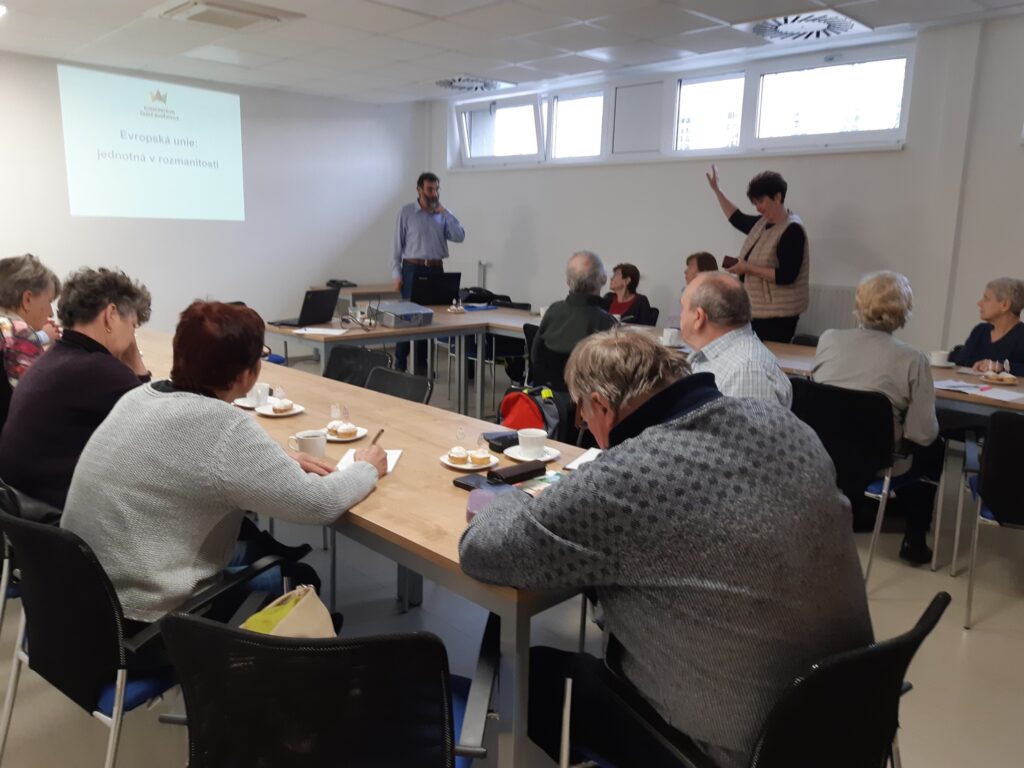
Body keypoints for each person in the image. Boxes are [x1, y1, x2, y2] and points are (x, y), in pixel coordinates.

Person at [460, 328, 872, 768]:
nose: (583, 425)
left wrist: (511, 499)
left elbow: (485, 549)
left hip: (737, 751)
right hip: (856, 716)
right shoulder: (788, 426)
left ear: (602, 405)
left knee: (533, 673)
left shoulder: (626, 476)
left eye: (582, 412)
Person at [61, 301, 388, 624]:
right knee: (300, 577)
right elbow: (319, 504)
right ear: (247, 374)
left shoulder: (139, 397)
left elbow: (194, 454)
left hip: (80, 602)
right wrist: (367, 466)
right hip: (144, 618)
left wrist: (269, 456)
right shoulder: (224, 427)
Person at [812, 271, 941, 564]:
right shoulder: (914, 358)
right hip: (878, 458)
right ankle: (915, 540)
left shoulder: (828, 339)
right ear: (904, 310)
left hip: (822, 449)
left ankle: (857, 508)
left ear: (859, 303)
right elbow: (922, 434)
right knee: (935, 448)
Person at [0, 268, 152, 512]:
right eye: (132, 326)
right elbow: (155, 427)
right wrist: (135, 359)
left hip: (19, 509)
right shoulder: (101, 371)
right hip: (56, 518)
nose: (131, 336)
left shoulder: (51, 358)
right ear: (111, 315)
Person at [706, 166, 809, 343]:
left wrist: (747, 268)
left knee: (768, 354)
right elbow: (737, 218)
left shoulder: (792, 230)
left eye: (761, 201)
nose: (758, 208)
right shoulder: (762, 223)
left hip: (778, 316)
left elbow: (786, 275)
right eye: (755, 203)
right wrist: (717, 190)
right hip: (757, 310)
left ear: (777, 197)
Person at [681, 272, 792, 407]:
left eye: (683, 308)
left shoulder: (747, 372)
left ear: (699, 317)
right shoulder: (708, 355)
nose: (681, 315)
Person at [391, 171, 465, 372]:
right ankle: (399, 364)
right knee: (407, 318)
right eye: (430, 189)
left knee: (429, 318)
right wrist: (396, 274)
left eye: (437, 189)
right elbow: (397, 246)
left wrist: (445, 212)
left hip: (436, 270)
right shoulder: (406, 212)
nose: (434, 194)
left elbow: (460, 236)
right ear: (419, 190)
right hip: (413, 269)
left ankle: (421, 366)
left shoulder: (442, 214)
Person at [531, 250, 616, 390]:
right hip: (587, 397)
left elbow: (536, 356)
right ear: (603, 279)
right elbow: (613, 373)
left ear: (567, 280)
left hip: (548, 394)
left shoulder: (552, 311)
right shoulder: (607, 323)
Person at [0, 254, 61, 389]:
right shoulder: (19, 332)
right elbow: (35, 394)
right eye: (49, 301)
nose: (51, 313)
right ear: (27, 299)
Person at [948, 277, 1024, 375]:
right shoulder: (980, 331)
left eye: (986, 299)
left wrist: (1002, 367)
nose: (979, 303)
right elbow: (961, 360)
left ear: (1005, 305)